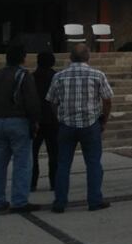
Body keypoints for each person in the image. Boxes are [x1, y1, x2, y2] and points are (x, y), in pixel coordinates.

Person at [46, 44, 113, 213]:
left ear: (70, 58)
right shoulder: (97, 75)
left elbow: (52, 101)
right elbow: (107, 99)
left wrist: (59, 117)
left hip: (66, 125)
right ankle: (94, 200)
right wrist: (104, 119)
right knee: (93, 164)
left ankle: (60, 202)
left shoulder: (59, 76)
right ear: (88, 57)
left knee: (63, 165)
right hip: (90, 124)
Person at [0, 44, 42, 213]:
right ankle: (20, 200)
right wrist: (35, 121)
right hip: (19, 121)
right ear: (23, 58)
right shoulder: (23, 75)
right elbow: (32, 102)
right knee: (22, 162)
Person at [31, 52, 59, 192]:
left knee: (32, 153)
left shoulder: (31, 77)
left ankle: (32, 182)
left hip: (35, 119)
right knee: (54, 153)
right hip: (53, 119)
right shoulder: (56, 77)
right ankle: (54, 182)